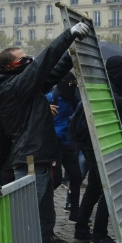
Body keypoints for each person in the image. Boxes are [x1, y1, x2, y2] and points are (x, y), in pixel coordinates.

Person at [0, 21, 89, 243]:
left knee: (44, 220)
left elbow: (49, 75)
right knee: (26, 220)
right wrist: (68, 36)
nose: (28, 61)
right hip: (29, 158)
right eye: (22, 59)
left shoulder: (23, 85)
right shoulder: (10, 88)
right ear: (10, 66)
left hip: (38, 157)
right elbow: (42, 66)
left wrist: (70, 56)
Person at [72, 56, 122, 243]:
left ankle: (81, 230)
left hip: (97, 142)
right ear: (115, 71)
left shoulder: (116, 87)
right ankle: (99, 234)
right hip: (92, 143)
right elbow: (114, 103)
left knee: (95, 187)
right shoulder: (103, 86)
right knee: (110, 188)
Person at [46, 73, 82, 222]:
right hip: (53, 145)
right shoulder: (51, 97)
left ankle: (75, 212)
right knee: (56, 180)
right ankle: (44, 208)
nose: (72, 87)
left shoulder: (73, 98)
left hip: (68, 144)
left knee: (76, 177)